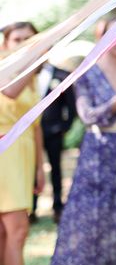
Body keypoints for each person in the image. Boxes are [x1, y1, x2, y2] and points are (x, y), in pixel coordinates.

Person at [51, 19, 116, 265]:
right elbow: (86, 115)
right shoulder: (87, 73)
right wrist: (114, 104)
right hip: (98, 154)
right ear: (102, 38)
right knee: (93, 221)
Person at [0, 22, 45, 265]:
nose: (25, 44)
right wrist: (36, 58)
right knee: (18, 231)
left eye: (30, 39)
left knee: (5, 235)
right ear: (5, 43)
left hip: (23, 157)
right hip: (4, 156)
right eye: (18, 39)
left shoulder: (32, 78)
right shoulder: (6, 70)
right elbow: (9, 92)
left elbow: (34, 125)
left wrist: (40, 167)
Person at [31, 62, 77, 224]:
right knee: (32, 169)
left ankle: (57, 206)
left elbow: (72, 105)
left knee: (55, 169)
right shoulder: (25, 74)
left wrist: (65, 127)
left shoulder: (62, 75)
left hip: (54, 131)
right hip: (30, 132)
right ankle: (31, 208)